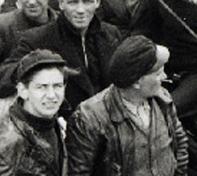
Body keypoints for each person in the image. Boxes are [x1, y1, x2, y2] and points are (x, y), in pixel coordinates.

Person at [0, 0, 122, 115]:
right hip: (63, 124)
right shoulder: (38, 38)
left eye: (87, 2)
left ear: (98, 2)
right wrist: (38, 63)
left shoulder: (110, 34)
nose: (80, 10)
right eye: (73, 2)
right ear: (61, 3)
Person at [66, 35, 189, 176]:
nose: (164, 77)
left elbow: (179, 141)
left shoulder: (162, 99)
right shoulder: (90, 117)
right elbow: (79, 172)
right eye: (158, 73)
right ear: (136, 82)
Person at [0, 50, 68, 176]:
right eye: (41, 87)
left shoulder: (50, 121)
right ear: (23, 91)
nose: (52, 95)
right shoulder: (9, 142)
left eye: (57, 86)